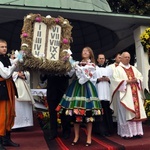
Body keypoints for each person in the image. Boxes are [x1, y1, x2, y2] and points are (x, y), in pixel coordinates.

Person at [56, 47, 102, 146]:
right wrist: (69, 63)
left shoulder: (92, 65)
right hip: (75, 88)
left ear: (90, 54)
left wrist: (77, 67)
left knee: (89, 115)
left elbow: (84, 78)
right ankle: (76, 136)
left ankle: (89, 137)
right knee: (75, 114)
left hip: (87, 89)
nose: (84, 52)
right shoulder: (78, 63)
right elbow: (69, 74)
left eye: (87, 51)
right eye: (83, 51)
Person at [110, 51, 147, 139]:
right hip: (124, 95)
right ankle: (126, 133)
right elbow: (114, 81)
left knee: (136, 112)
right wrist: (127, 82)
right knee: (125, 113)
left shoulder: (133, 68)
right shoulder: (117, 69)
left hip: (135, 95)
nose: (127, 58)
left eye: (128, 57)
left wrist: (137, 80)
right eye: (125, 57)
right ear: (121, 58)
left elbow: (140, 77)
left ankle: (137, 132)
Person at [0, 39, 20, 150]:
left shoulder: (5, 58)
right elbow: (6, 74)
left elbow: (15, 65)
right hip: (2, 90)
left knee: (9, 114)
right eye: (2, 47)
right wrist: (14, 65)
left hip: (8, 88)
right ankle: (0, 142)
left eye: (5, 47)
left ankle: (6, 139)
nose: (4, 48)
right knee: (2, 115)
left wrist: (22, 56)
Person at [40, 73, 71, 140]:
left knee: (64, 112)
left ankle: (66, 131)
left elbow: (69, 75)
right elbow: (42, 78)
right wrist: (44, 71)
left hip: (63, 91)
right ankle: (53, 133)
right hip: (51, 91)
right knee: (52, 113)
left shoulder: (65, 62)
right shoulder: (49, 63)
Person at [9, 52, 35, 129]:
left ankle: (24, 124)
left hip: (22, 85)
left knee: (23, 105)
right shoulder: (8, 63)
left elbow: (27, 73)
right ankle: (14, 124)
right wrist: (17, 74)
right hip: (13, 85)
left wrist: (23, 74)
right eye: (13, 57)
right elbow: (6, 73)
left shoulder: (23, 64)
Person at [94, 54, 114, 136]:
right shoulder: (95, 68)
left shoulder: (109, 69)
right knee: (99, 113)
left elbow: (113, 79)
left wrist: (108, 79)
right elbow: (91, 79)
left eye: (103, 58)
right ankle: (99, 131)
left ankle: (109, 130)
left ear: (105, 59)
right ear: (97, 60)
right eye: (100, 58)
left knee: (107, 113)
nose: (102, 60)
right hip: (98, 93)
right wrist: (98, 79)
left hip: (107, 94)